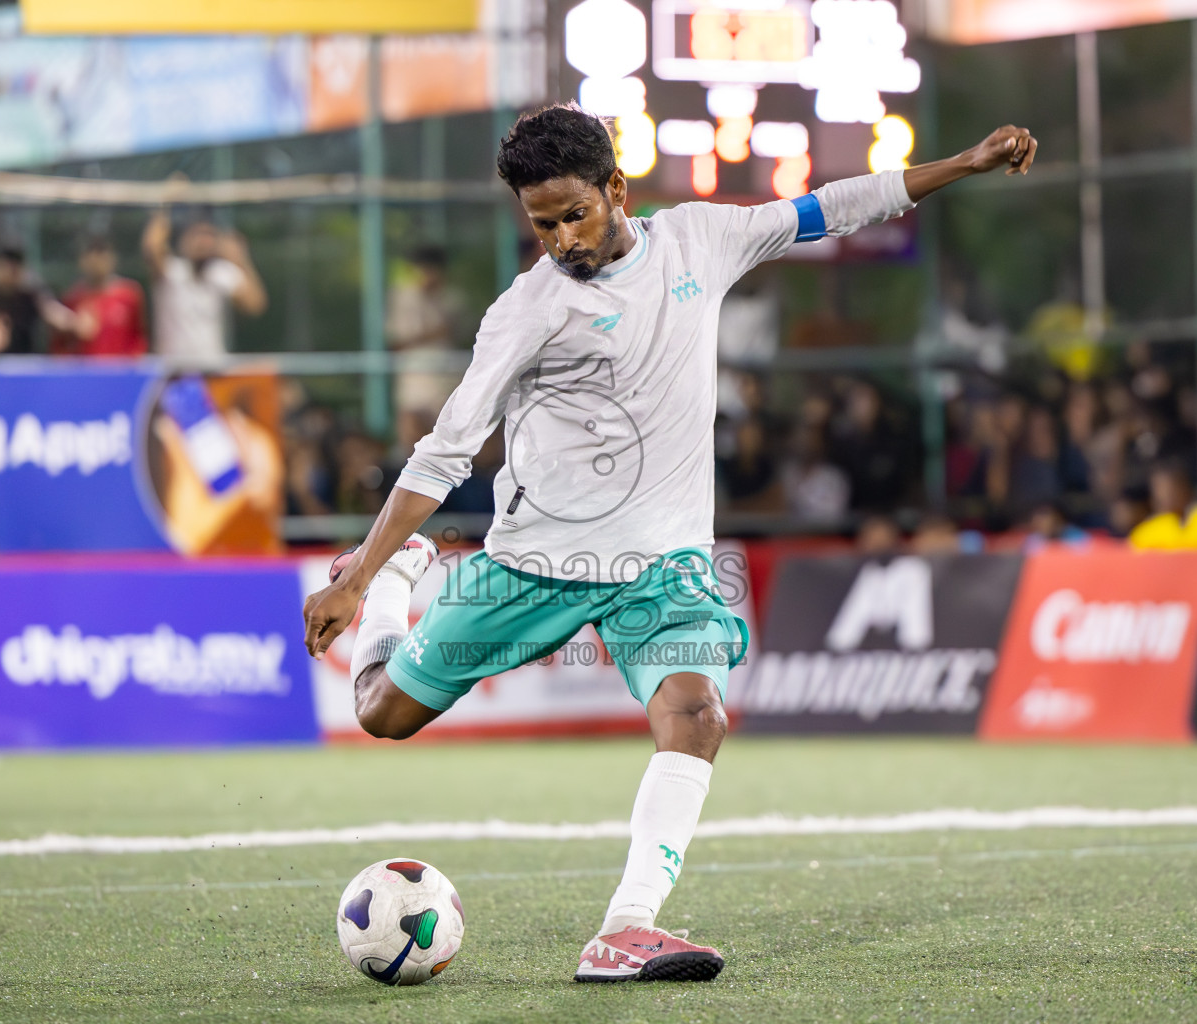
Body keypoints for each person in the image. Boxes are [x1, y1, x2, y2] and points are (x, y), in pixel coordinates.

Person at [301, 103, 1037, 983]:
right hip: (539, 561)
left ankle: (627, 927)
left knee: (698, 716)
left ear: (617, 189)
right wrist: (366, 578)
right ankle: (399, 589)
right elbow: (444, 451)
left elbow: (831, 207)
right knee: (384, 714)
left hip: (665, 562)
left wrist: (961, 161)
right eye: (541, 224)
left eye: (574, 213)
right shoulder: (524, 311)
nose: (562, 238)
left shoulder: (700, 240)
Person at [142, 179, 267, 360]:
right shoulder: (172, 271)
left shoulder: (221, 273)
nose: (203, 243)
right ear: (184, 241)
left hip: (212, 370)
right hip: (174, 372)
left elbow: (255, 305)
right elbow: (152, 247)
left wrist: (241, 261)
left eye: (209, 236)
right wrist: (166, 203)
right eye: (197, 236)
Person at [387, 246, 464, 454]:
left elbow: (457, 332)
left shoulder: (452, 299)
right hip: (415, 378)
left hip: (446, 379)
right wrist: (433, 333)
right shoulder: (404, 297)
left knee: (445, 441)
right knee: (411, 435)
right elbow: (396, 343)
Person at [55, 236, 148, 357]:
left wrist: (132, 363)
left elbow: (139, 337)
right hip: (86, 372)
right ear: (83, 261)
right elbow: (62, 345)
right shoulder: (73, 297)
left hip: (122, 372)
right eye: (92, 258)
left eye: (102, 256)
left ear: (112, 259)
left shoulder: (129, 294)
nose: (97, 264)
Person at [0, 246, 76, 354]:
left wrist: (74, 322)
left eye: (15, 269)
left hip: (26, 361)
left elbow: (53, 312)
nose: (10, 274)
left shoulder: (30, 293)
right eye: (5, 267)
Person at [1129, 458, 1197, 550]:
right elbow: (1136, 544)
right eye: (1158, 489)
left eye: (1170, 489)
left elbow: (1193, 548)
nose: (1164, 496)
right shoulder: (1150, 527)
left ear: (1186, 489)